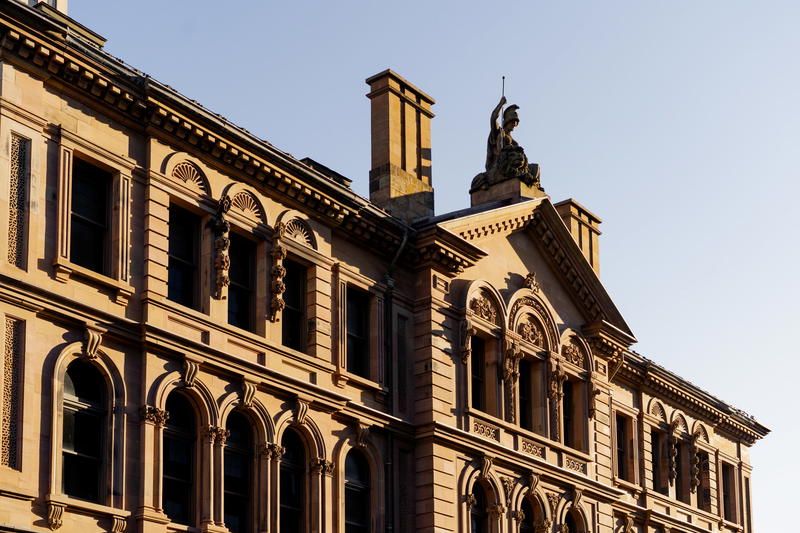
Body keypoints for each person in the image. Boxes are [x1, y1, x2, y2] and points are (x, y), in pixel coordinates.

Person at [485, 96, 521, 172]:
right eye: (512, 123)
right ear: (506, 122)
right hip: (498, 167)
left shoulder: (514, 142)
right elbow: (493, 118)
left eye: (515, 124)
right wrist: (501, 104)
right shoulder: (498, 132)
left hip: (510, 166)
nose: (514, 125)